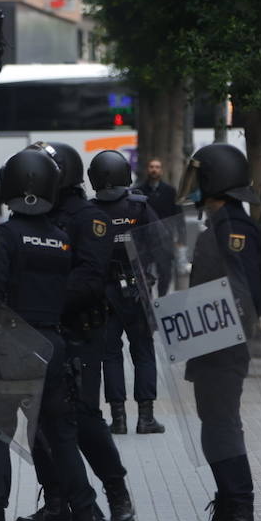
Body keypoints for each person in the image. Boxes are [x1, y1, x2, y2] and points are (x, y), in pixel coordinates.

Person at [0, 148, 113, 521]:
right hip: (50, 347)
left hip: (7, 347)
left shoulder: (3, 237)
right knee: (60, 436)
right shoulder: (61, 241)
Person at [12, 142, 136, 521]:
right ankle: (56, 502)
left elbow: (89, 278)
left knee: (82, 417)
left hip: (79, 332)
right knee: (39, 419)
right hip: (38, 334)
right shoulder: (34, 216)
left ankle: (117, 494)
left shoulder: (89, 219)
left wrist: (41, 301)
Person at [176, 142, 261, 521]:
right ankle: (226, 515)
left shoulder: (234, 227)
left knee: (223, 430)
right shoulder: (220, 222)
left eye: (199, 177)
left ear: (214, 180)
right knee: (214, 429)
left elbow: (242, 295)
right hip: (210, 345)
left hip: (224, 348)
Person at [92, 150, 166, 435]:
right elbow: (161, 241)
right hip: (139, 290)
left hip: (104, 293)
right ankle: (146, 418)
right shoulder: (139, 206)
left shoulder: (91, 210)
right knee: (144, 352)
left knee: (110, 354)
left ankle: (118, 418)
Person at [136, 157, 183, 294]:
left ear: (161, 171)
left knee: (165, 273)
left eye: (157, 167)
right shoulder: (139, 192)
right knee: (144, 274)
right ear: (147, 170)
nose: (154, 170)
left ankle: (162, 300)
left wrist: (180, 239)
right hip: (145, 242)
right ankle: (147, 299)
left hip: (164, 241)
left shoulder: (170, 191)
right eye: (151, 167)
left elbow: (178, 216)